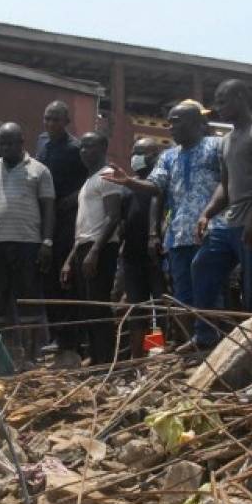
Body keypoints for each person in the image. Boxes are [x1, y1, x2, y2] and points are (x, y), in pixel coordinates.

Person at [103, 99, 224, 342]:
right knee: (183, 296)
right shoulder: (169, 157)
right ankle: (193, 345)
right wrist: (129, 181)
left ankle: (212, 342)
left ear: (195, 122)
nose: (170, 128)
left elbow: (228, 181)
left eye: (176, 123)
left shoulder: (217, 146)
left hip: (210, 233)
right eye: (168, 124)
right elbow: (155, 185)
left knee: (210, 291)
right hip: (178, 237)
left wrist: (211, 214)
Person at [191, 80, 252, 348]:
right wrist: (207, 213)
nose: (219, 107)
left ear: (241, 97)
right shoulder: (227, 140)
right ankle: (205, 336)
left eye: (223, 100)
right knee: (202, 265)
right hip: (230, 222)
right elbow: (225, 185)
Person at [0, 122, 56, 367]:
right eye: (1, 143)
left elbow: (48, 209)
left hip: (28, 244)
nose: (4, 147)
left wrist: (47, 242)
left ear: (21, 143)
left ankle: (29, 356)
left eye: (10, 143)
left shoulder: (40, 171)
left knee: (29, 301)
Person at [60, 132, 124, 365]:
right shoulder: (89, 181)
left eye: (90, 146)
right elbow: (84, 225)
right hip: (83, 247)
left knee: (99, 307)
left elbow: (113, 216)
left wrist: (95, 252)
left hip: (101, 248)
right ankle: (95, 357)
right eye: (82, 147)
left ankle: (106, 360)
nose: (85, 151)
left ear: (104, 146)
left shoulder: (108, 176)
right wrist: (70, 259)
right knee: (88, 308)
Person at [35, 101, 90, 358]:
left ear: (66, 121)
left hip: (69, 220)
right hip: (46, 220)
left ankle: (71, 339)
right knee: (47, 280)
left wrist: (73, 198)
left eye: (56, 119)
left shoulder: (77, 148)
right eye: (47, 118)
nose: (50, 124)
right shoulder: (42, 146)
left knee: (66, 279)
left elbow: (93, 178)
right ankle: (56, 335)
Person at [116, 137, 166, 357]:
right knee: (137, 310)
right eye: (134, 152)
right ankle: (137, 360)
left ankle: (157, 353)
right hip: (132, 258)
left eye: (141, 152)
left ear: (155, 155)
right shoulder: (127, 187)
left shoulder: (163, 185)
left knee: (160, 310)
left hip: (157, 257)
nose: (136, 157)